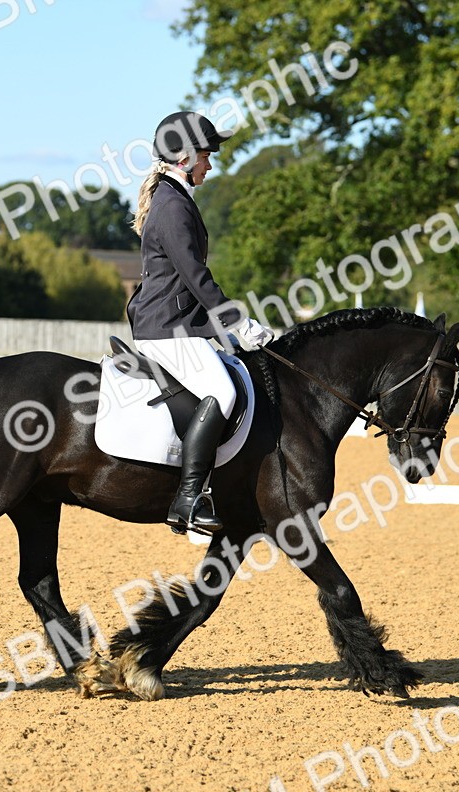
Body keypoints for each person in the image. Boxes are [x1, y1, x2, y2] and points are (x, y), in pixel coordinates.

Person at [127, 111, 275, 534]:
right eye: (207, 156)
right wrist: (237, 321)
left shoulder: (173, 199)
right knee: (222, 391)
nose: (210, 165)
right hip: (166, 326)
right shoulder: (172, 205)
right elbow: (195, 276)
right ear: (184, 157)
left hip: (176, 322)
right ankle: (189, 499)